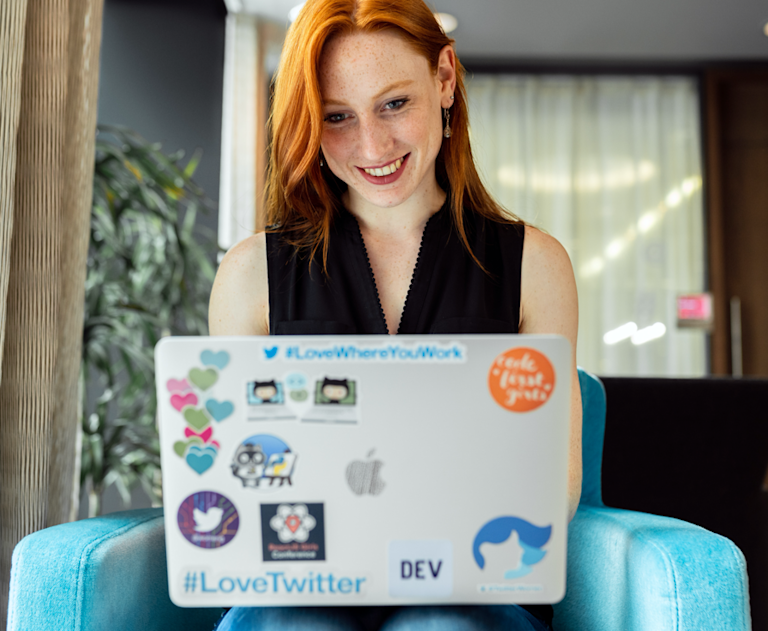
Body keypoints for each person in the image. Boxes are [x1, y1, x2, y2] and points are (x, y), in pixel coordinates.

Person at [209, 0, 582, 628]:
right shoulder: (250, 275)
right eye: (337, 116)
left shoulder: (534, 264)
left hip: (472, 583)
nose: (372, 145)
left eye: (394, 104)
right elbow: (238, 472)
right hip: (301, 585)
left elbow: (554, 477)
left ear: (443, 78)